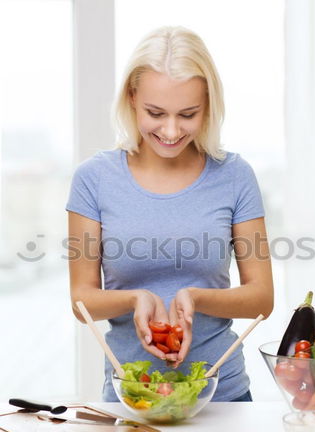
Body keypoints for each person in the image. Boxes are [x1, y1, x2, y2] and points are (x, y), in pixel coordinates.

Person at [66, 25, 274, 402]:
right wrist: (134, 299)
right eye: (156, 112)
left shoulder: (234, 175)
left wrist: (194, 297)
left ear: (208, 104)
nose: (171, 130)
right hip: (131, 398)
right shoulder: (93, 179)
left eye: (188, 114)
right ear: (131, 97)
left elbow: (262, 297)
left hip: (222, 397)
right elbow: (81, 301)